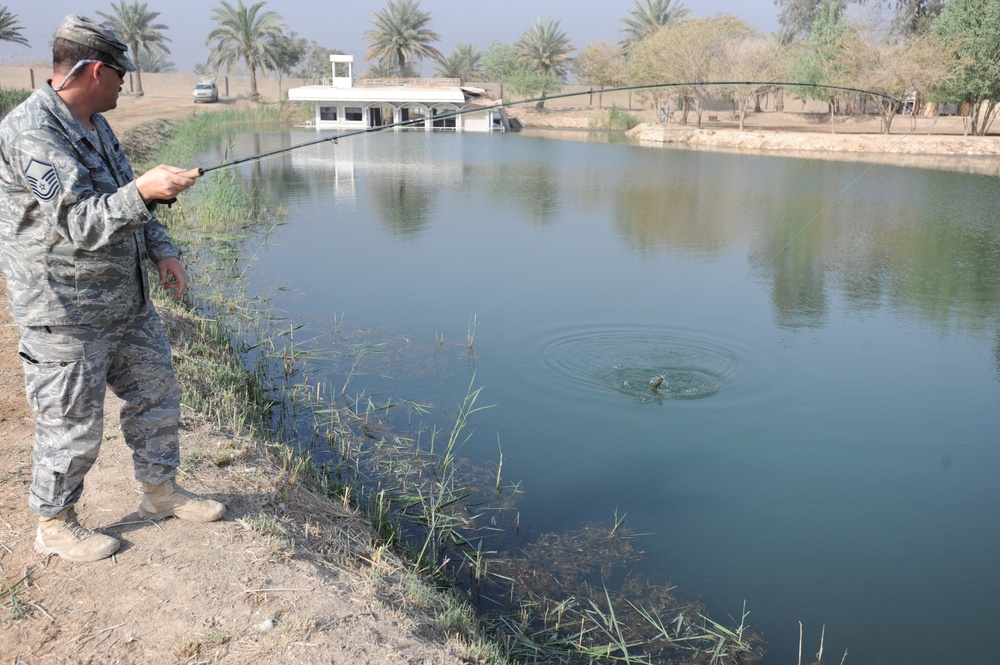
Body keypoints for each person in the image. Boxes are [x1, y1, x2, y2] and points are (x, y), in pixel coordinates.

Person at [0, 15, 224, 563]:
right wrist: (145, 188)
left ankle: (159, 493)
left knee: (157, 395)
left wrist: (163, 250)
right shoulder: (33, 131)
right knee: (72, 424)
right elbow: (79, 220)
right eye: (121, 72)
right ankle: (54, 523)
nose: (126, 82)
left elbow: (129, 200)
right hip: (65, 309)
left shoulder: (97, 125)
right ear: (95, 70)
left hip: (127, 301)